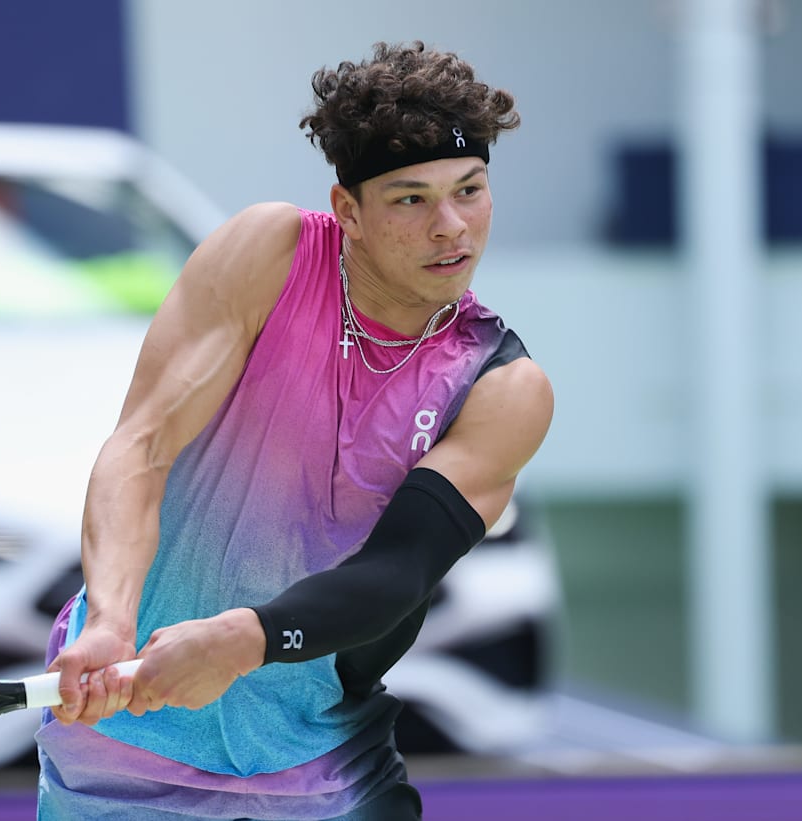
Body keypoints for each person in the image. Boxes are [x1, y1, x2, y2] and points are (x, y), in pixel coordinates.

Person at [35, 41, 553, 820]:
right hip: (122, 753)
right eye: (411, 199)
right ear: (349, 210)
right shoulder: (267, 254)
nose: (451, 227)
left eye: (469, 190)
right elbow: (142, 445)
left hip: (322, 769)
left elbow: (398, 572)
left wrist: (244, 639)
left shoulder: (501, 387)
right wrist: (111, 616)